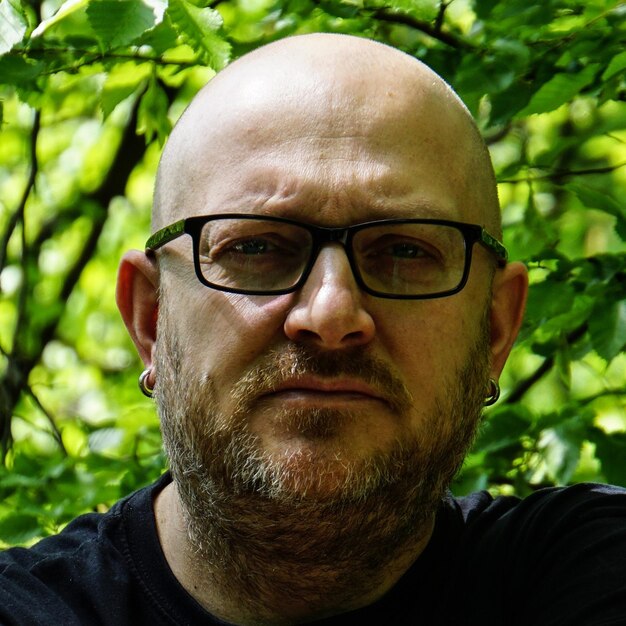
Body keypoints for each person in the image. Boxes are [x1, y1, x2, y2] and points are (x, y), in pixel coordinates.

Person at [1, 32, 625, 626]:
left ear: (494, 329)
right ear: (151, 318)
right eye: (257, 247)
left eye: (405, 252)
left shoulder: (588, 569)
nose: (329, 316)